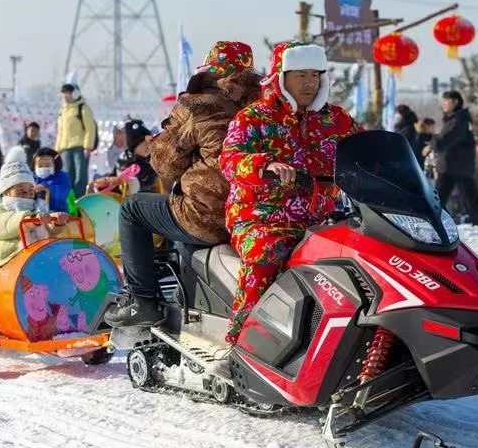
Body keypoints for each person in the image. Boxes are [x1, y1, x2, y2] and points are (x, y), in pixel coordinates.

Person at [103, 41, 263, 328]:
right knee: (180, 210)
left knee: (132, 210)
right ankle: (188, 292)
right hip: (253, 216)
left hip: (211, 215)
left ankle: (142, 301)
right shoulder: (265, 106)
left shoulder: (198, 104)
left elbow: (164, 164)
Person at [217, 41, 360, 344]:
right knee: (264, 253)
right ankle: (241, 343)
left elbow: (367, 152)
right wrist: (265, 165)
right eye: (301, 75)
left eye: (315, 74)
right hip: (262, 216)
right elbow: (230, 161)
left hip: (325, 218)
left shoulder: (337, 120)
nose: (310, 83)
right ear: (281, 77)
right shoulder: (254, 118)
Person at [0, 147, 69, 266]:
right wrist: (30, 220)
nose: (27, 196)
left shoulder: (36, 207)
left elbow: (48, 229)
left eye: (30, 191)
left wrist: (56, 221)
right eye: (21, 192)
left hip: (37, 257)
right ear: (6, 192)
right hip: (9, 259)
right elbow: (3, 224)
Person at [423, 91, 478, 226]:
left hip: (455, 164)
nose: (443, 105)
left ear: (456, 102)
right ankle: (476, 220)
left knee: (444, 195)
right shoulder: (455, 119)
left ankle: (432, 220)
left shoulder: (459, 120)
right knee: (448, 195)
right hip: (453, 164)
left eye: (447, 102)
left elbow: (447, 139)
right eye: (443, 102)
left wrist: (432, 145)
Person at [94, 119, 160, 195]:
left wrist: (126, 182)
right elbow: (114, 175)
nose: (148, 147)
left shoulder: (150, 163)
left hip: (142, 199)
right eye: (144, 145)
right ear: (134, 147)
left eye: (149, 144)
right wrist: (105, 182)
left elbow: (149, 183)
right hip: (120, 196)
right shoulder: (123, 159)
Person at [55, 83, 96, 199]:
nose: (65, 98)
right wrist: (57, 149)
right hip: (65, 149)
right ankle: (69, 203)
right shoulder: (62, 111)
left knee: (80, 177)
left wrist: (88, 146)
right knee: (67, 177)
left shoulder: (82, 108)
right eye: (63, 96)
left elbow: (90, 129)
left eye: (67, 95)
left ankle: (80, 201)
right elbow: (60, 131)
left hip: (80, 148)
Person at [33, 148, 77, 215]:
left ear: (55, 164)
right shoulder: (31, 177)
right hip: (34, 214)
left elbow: (62, 193)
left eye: (47, 165)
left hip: (58, 214)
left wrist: (46, 188)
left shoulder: (62, 177)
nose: (43, 168)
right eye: (40, 165)